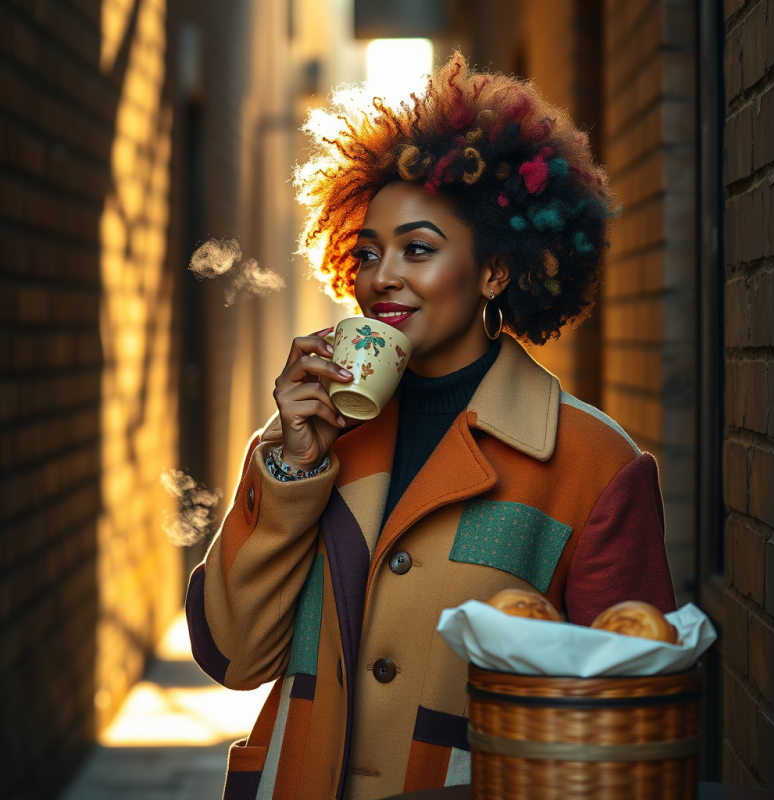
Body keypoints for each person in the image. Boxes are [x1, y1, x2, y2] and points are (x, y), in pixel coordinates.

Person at [186, 53, 676, 800]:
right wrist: (289, 475)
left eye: (418, 249)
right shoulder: (309, 442)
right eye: (369, 252)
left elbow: (629, 726)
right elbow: (232, 657)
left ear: (494, 273)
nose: (383, 275)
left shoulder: (594, 465)